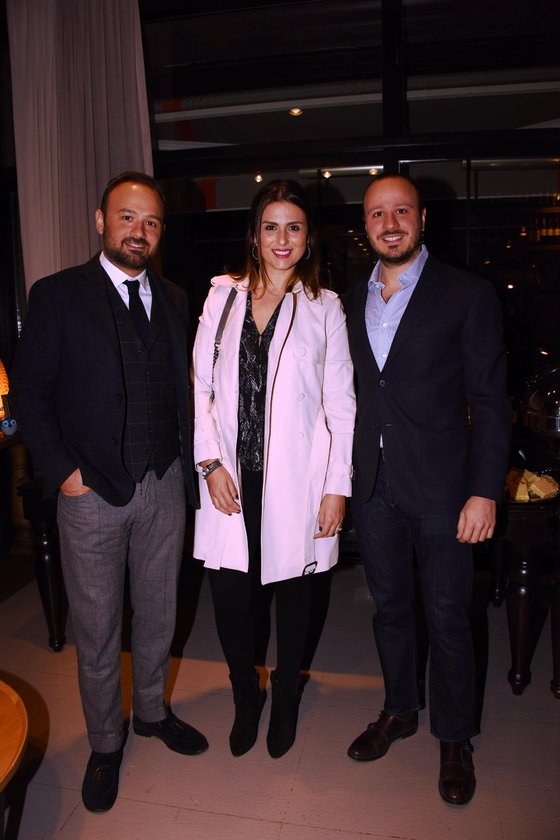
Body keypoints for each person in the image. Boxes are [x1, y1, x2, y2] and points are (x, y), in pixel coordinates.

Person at [11, 171, 208, 813]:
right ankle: (104, 742)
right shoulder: (56, 294)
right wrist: (63, 472)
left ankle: (150, 711)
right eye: (127, 217)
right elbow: (31, 393)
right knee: (97, 629)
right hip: (90, 488)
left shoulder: (175, 296)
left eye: (150, 221)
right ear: (101, 221)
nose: (138, 231)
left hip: (163, 481)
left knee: (158, 613)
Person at [345, 173, 510, 805]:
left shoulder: (467, 294)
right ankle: (399, 709)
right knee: (389, 609)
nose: (389, 224)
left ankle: (454, 736)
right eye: (377, 214)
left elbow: (489, 402)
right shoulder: (347, 298)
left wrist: (484, 490)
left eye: (401, 211)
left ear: (421, 218)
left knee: (447, 617)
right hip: (373, 484)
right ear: (365, 225)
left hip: (445, 488)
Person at [192, 179, 355, 759]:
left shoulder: (325, 307)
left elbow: (341, 405)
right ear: (254, 235)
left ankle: (285, 694)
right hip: (231, 479)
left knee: (295, 595)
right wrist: (210, 463)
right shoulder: (222, 297)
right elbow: (200, 388)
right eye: (270, 227)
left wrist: (337, 487)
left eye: (294, 227)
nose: (281, 239)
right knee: (230, 597)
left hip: (297, 482)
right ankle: (246, 695)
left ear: (309, 238)